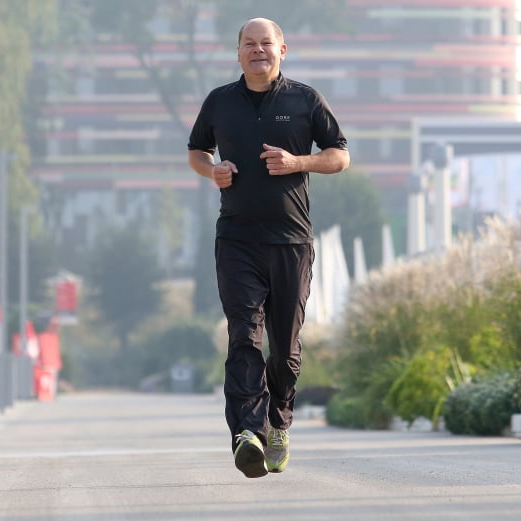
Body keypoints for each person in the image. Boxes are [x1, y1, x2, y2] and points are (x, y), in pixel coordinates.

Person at [187, 17, 350, 478]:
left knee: (285, 349)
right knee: (243, 335)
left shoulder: (305, 100)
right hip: (236, 239)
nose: (258, 50)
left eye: (266, 44)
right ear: (237, 52)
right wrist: (210, 170)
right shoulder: (219, 101)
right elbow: (197, 150)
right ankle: (247, 432)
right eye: (249, 44)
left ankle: (278, 423)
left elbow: (340, 154)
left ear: (283, 50)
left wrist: (299, 161)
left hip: (292, 241)